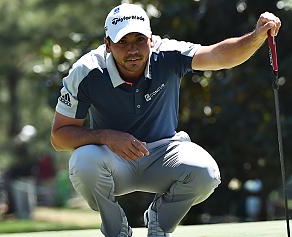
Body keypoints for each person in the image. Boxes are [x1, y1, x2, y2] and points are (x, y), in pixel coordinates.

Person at [51, 3, 281, 237]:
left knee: (206, 173)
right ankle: (116, 230)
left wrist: (257, 36)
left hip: (164, 154)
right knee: (83, 161)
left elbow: (219, 55)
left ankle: (159, 223)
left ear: (150, 39)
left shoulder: (168, 54)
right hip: (112, 160)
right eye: (122, 42)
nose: (132, 50)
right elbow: (59, 136)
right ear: (108, 43)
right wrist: (106, 136)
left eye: (139, 40)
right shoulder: (86, 71)